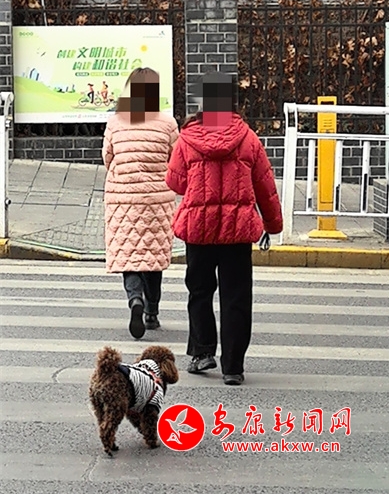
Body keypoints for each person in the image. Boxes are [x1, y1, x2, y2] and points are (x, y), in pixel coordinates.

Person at [166, 72, 283, 385]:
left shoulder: (188, 138)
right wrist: (273, 224)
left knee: (200, 291)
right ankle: (233, 367)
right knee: (236, 296)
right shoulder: (248, 138)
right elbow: (265, 185)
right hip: (237, 230)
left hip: (199, 230)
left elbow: (175, 182)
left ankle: (203, 351)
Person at [102, 67, 179, 339]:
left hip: (123, 198)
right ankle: (152, 311)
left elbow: (107, 157)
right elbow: (176, 158)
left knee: (130, 255)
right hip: (157, 199)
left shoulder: (115, 122)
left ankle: (135, 298)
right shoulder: (167, 123)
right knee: (152, 257)